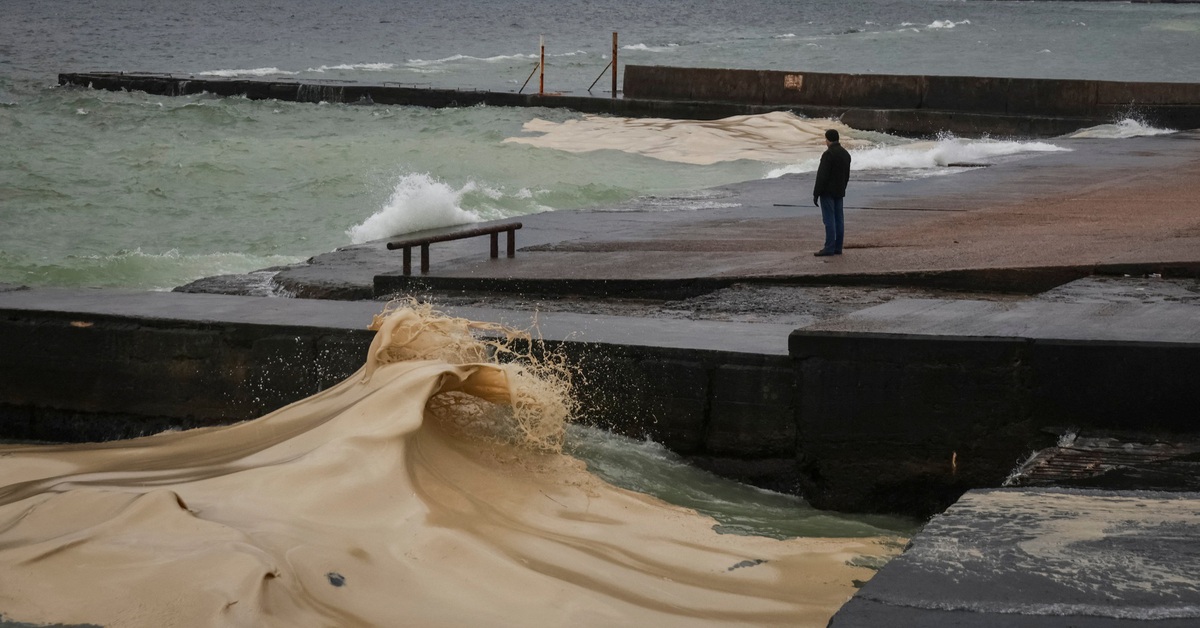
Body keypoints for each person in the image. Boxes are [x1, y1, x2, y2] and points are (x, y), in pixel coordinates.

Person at [812, 128, 852, 256]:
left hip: (827, 192)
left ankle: (829, 247)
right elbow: (847, 175)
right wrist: (843, 188)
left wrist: (816, 193)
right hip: (839, 191)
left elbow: (822, 176)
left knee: (829, 220)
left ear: (828, 139)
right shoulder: (846, 154)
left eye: (826, 139)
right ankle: (837, 247)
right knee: (839, 220)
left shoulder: (828, 154)